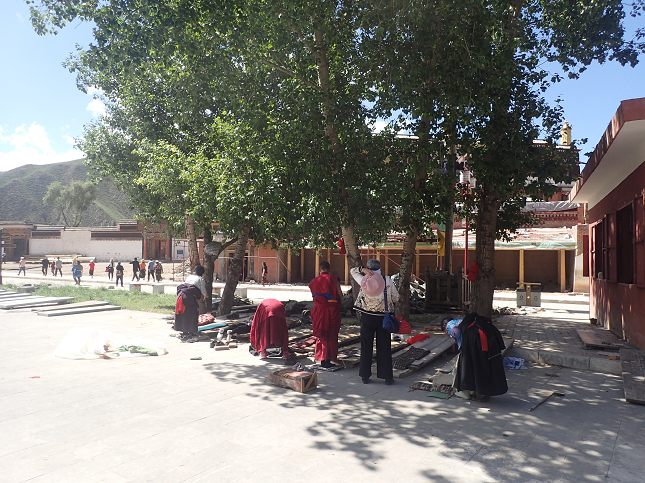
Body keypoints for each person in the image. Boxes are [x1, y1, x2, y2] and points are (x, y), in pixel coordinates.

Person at [350, 259, 398, 385]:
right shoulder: (387, 280)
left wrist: (361, 270)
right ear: (380, 268)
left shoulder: (363, 280)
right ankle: (387, 377)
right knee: (384, 347)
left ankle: (365, 376)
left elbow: (352, 271)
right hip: (383, 318)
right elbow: (396, 297)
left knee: (366, 346)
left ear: (368, 268)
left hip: (366, 317)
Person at [448, 312, 508, 401]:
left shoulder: (450, 326)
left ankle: (466, 392)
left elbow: (456, 333)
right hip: (484, 342)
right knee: (480, 364)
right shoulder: (469, 322)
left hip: (472, 339)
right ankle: (479, 391)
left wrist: (461, 347)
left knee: (467, 364)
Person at [308, 260, 342, 368]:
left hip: (319, 311)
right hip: (332, 311)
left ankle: (322, 358)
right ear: (329, 269)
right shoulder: (334, 279)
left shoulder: (313, 281)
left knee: (321, 335)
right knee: (331, 334)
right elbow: (340, 294)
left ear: (320, 269)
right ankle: (329, 359)